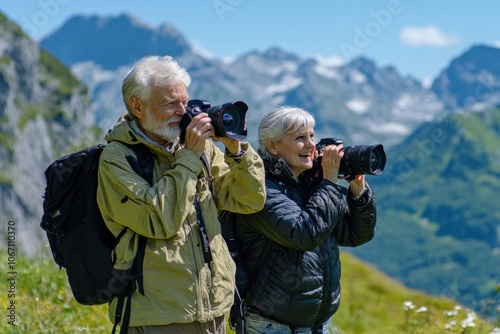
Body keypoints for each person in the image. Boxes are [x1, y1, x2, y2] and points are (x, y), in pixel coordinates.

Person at [96, 55, 266, 334]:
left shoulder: (196, 149)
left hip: (213, 309)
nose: (183, 111)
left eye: (185, 102)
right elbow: (158, 218)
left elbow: (249, 199)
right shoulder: (117, 158)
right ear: (137, 106)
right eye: (171, 104)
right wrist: (189, 156)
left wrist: (235, 150)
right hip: (159, 315)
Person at [234, 106, 377, 334]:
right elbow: (303, 234)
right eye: (300, 138)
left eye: (311, 135)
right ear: (273, 146)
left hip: (319, 325)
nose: (311, 145)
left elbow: (356, 234)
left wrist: (357, 189)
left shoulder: (311, 184)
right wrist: (328, 183)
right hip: (272, 326)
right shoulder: (260, 189)